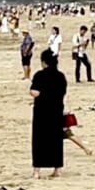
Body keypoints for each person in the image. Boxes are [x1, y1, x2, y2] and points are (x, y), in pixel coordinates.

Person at [30, 49, 68, 179]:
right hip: (56, 110)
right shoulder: (61, 76)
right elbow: (63, 93)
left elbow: (35, 92)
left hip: (42, 111)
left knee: (39, 140)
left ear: (44, 62)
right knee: (56, 140)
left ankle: (37, 170)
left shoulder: (39, 75)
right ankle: (57, 169)